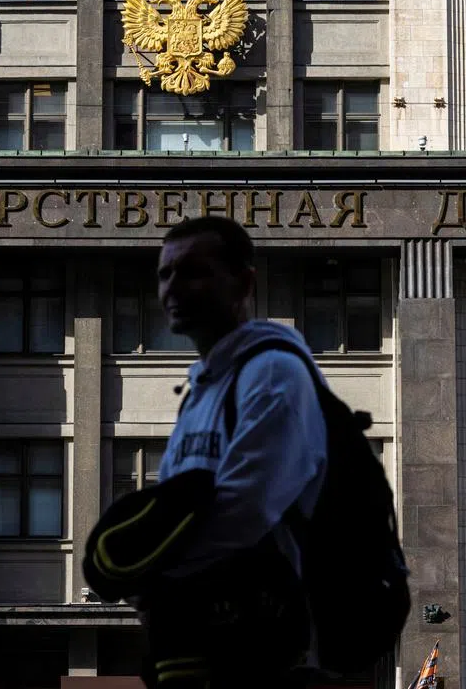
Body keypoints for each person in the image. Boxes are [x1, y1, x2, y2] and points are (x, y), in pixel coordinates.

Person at [134, 215, 329, 688]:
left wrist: (147, 563)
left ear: (243, 284)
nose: (173, 289)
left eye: (193, 272)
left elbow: (249, 506)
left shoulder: (272, 372)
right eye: (165, 274)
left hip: (255, 628)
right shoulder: (203, 389)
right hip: (198, 630)